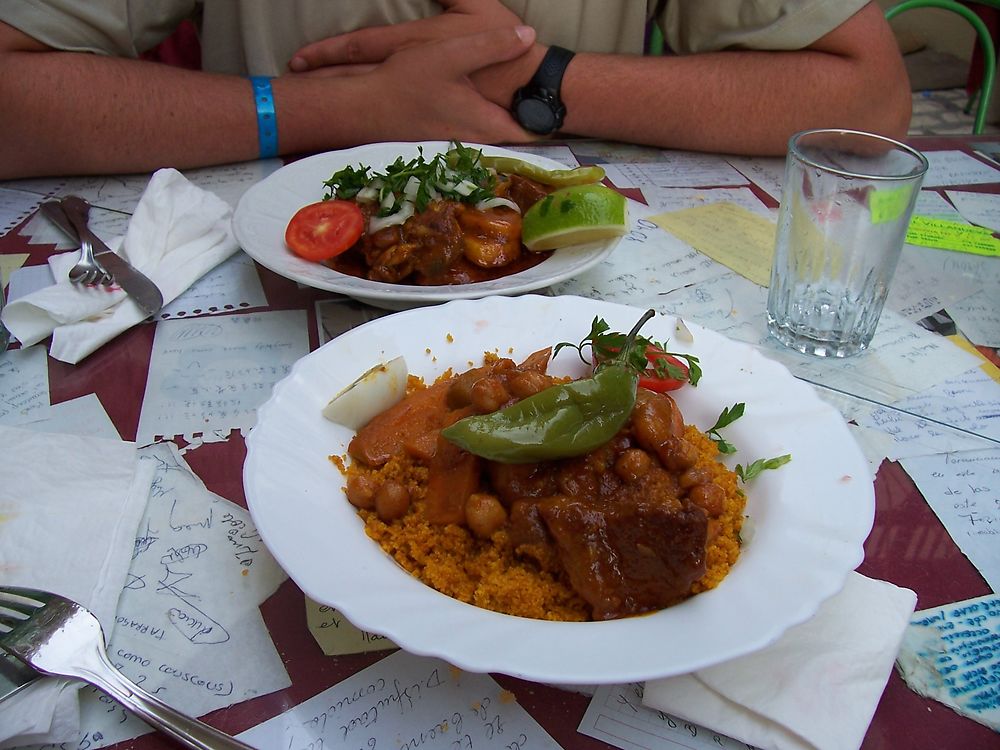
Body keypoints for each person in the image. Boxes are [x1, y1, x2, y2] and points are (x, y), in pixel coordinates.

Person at [0, 0, 911, 179]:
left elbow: (869, 102)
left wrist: (543, 81)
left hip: (593, 290)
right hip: (273, 290)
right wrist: (328, 110)